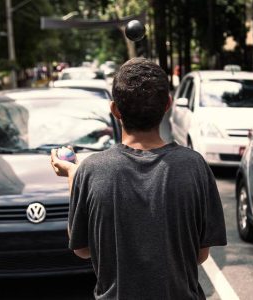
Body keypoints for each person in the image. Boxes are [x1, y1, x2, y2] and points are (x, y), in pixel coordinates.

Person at [50, 57, 227, 299]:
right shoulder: (195, 167)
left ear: (114, 110)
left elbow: (82, 249)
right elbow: (200, 255)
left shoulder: (90, 171)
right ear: (168, 105)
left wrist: (74, 175)